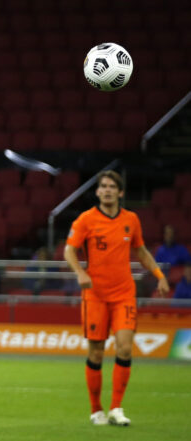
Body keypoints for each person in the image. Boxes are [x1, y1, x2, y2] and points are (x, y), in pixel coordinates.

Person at [64, 170, 169, 427]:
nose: (107, 190)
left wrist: (159, 275)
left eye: (112, 186)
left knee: (124, 347)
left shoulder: (131, 220)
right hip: (95, 296)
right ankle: (96, 409)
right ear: (98, 191)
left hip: (124, 295)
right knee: (96, 353)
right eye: (104, 186)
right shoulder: (86, 220)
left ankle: (116, 408)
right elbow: (69, 250)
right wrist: (80, 273)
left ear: (120, 192)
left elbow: (141, 251)